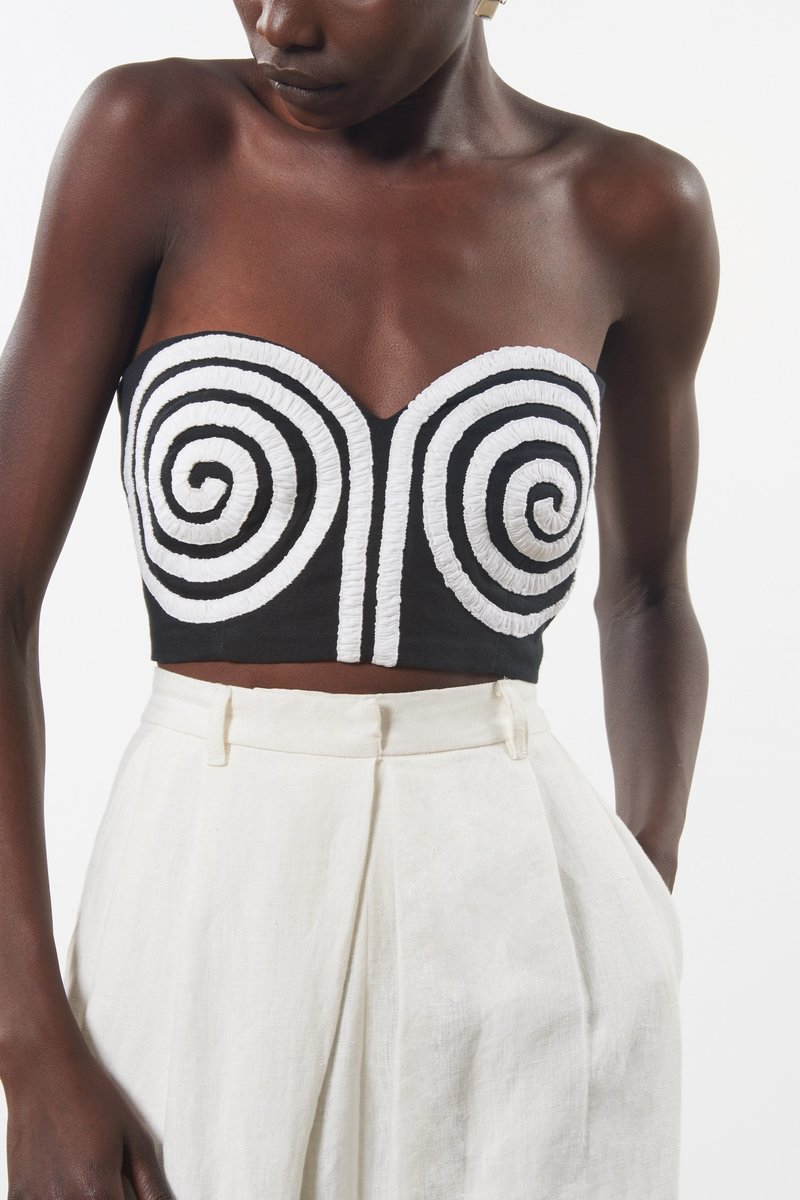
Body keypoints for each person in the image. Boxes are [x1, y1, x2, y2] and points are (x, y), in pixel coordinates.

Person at [0, 0, 718, 1196]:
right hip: (201, 910)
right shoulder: (153, 141)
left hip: (524, 938)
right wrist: (27, 1049)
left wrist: (642, 890)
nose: (279, 21)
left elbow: (646, 593)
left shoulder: (631, 209)